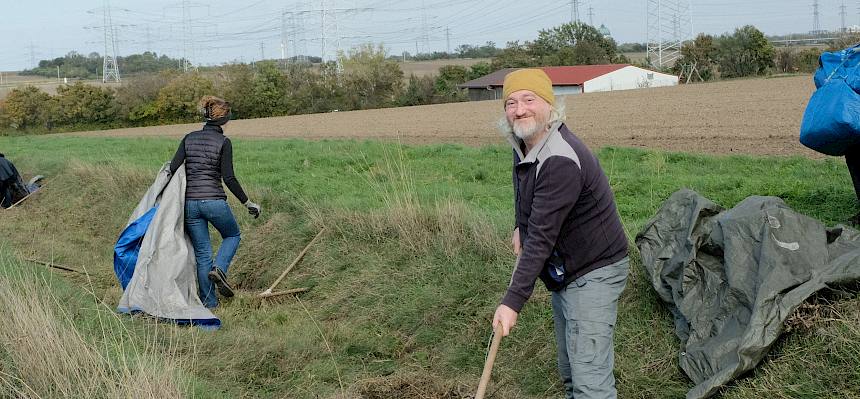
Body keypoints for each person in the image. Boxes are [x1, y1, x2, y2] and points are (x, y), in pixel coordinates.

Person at [491, 69, 630, 399]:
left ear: (548, 105)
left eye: (529, 99)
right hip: (565, 270)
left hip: (594, 269)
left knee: (589, 382)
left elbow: (540, 240)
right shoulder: (525, 142)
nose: (520, 109)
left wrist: (512, 303)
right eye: (511, 102)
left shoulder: (560, 159)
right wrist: (518, 225)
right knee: (571, 373)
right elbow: (523, 186)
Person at [168, 96, 261, 309]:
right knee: (232, 235)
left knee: (203, 254)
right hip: (214, 202)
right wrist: (247, 203)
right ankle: (219, 269)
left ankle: (210, 304)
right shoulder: (224, 142)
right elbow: (228, 178)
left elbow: (173, 168)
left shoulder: (188, 138)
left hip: (190, 204)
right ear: (225, 119)